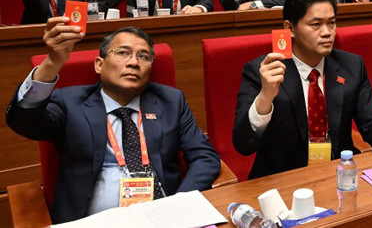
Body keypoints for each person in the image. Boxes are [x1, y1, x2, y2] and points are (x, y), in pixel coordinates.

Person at [6, 24, 220, 222]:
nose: (134, 62)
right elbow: (23, 122)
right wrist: (52, 63)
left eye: (143, 56)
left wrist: (179, 203)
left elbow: (205, 156)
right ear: (99, 65)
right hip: (92, 221)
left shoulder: (171, 101)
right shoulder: (70, 102)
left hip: (162, 218)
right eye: (123, 53)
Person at [232, 0, 372, 178]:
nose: (327, 32)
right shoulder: (263, 71)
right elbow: (243, 145)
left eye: (332, 23)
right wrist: (265, 97)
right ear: (290, 28)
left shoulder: (352, 65)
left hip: (336, 173)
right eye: (316, 24)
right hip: (282, 178)